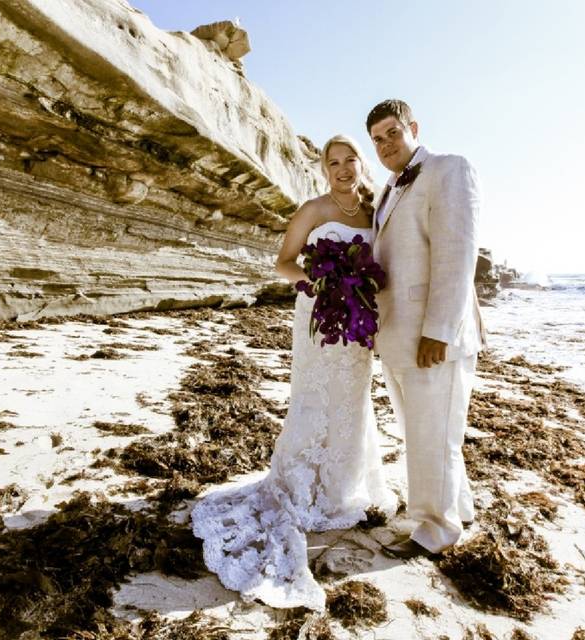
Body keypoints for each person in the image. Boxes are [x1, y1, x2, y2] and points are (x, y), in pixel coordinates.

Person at [191, 134, 396, 610]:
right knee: (314, 396)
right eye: (333, 163)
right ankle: (301, 486)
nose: (343, 169)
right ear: (324, 169)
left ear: (361, 165)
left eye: (350, 161)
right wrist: (320, 283)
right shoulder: (313, 209)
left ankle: (342, 488)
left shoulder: (375, 215)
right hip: (318, 317)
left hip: (358, 323)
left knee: (352, 399)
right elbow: (284, 263)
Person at [365, 99, 484, 556]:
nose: (385, 144)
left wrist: (440, 329)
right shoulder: (387, 190)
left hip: (433, 336)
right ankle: (460, 507)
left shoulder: (448, 169)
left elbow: (457, 255)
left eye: (392, 133)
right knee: (427, 430)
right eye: (376, 139)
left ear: (413, 127)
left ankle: (435, 531)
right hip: (395, 333)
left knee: (434, 431)